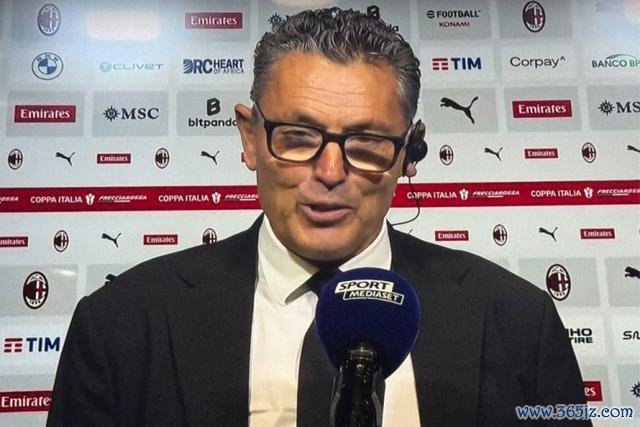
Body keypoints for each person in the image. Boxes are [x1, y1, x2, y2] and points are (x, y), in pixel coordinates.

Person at [48, 8, 589, 427]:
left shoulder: (521, 323)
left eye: (367, 142)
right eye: (297, 137)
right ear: (249, 138)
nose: (330, 172)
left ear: (408, 153)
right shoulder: (120, 325)